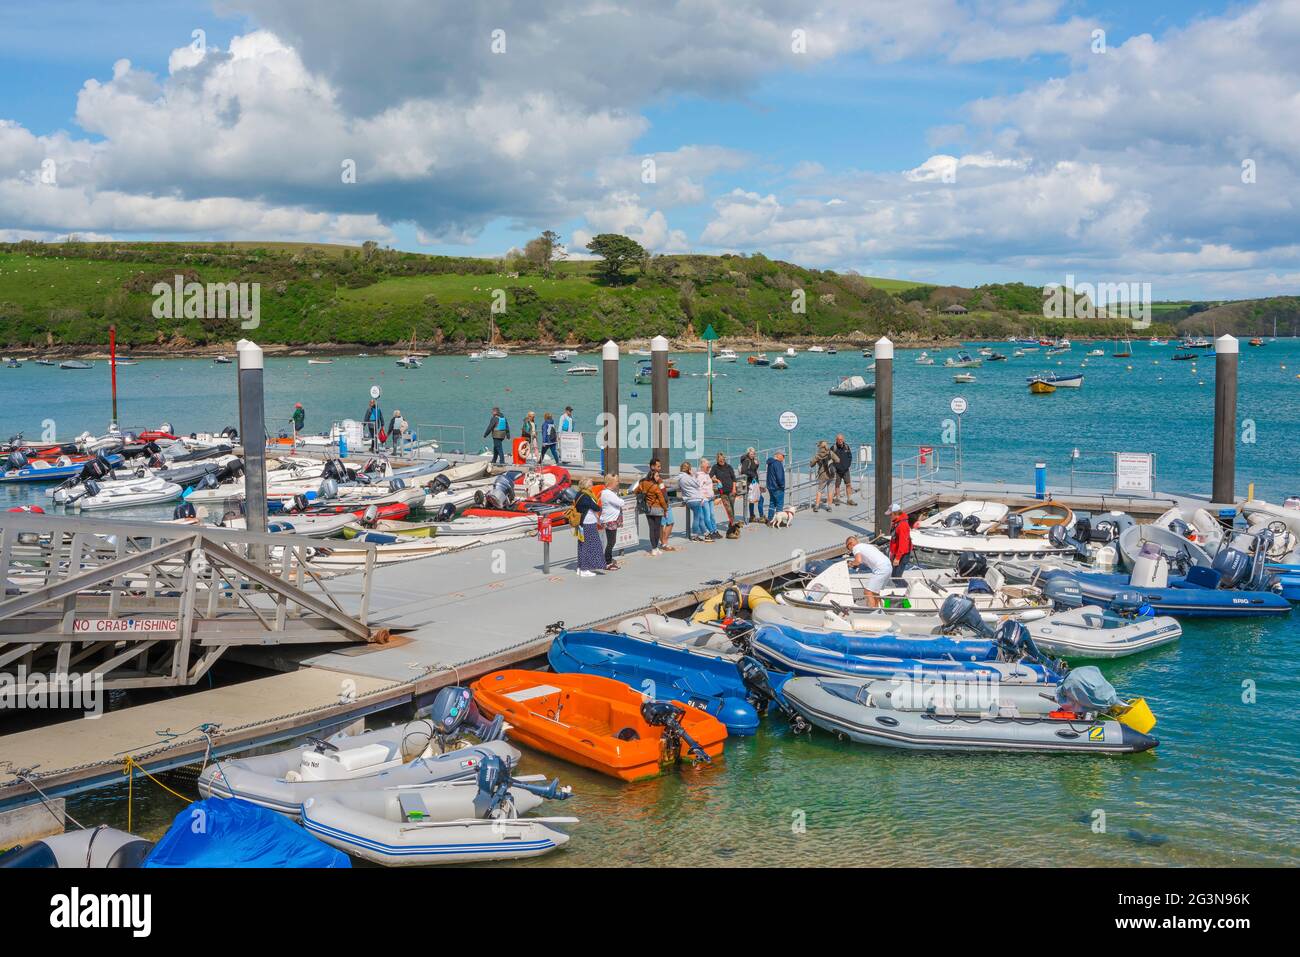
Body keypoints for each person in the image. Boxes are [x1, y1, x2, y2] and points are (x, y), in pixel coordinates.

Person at [845, 535, 892, 608]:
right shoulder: (867, 546)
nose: (851, 551)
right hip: (888, 566)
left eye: (849, 549)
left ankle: (872, 612)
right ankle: (878, 609)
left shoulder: (856, 547)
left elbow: (858, 561)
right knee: (875, 592)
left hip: (880, 568)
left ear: (850, 544)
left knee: (867, 592)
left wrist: (850, 564)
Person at [636, 464, 668, 557]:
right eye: (657, 476)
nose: (658, 477)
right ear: (652, 476)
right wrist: (665, 509)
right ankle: (655, 547)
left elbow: (636, 491)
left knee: (651, 528)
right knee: (657, 529)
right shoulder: (655, 486)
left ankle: (653, 548)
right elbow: (662, 499)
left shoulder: (643, 483)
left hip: (648, 508)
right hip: (657, 508)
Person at [573, 478, 603, 577]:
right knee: (590, 545)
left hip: (582, 523)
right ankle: (585, 569)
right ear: (585, 486)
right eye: (590, 485)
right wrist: (600, 508)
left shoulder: (579, 494)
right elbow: (595, 507)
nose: (592, 486)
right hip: (588, 523)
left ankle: (580, 567)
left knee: (582, 545)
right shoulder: (586, 496)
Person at [598, 474, 625, 570]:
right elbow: (621, 502)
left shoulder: (609, 493)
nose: (618, 483)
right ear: (611, 483)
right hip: (610, 520)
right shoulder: (608, 493)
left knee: (611, 541)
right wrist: (620, 498)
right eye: (617, 481)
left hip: (612, 519)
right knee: (611, 541)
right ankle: (607, 561)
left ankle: (607, 559)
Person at [696, 459, 720, 540]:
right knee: (707, 516)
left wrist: (716, 480)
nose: (709, 468)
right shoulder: (700, 476)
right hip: (705, 499)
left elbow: (709, 483)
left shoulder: (707, 474)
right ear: (702, 467)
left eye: (709, 466)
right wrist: (702, 498)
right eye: (707, 467)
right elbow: (699, 488)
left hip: (711, 498)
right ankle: (711, 531)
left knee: (712, 515)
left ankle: (715, 530)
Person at [810, 440, 836, 512]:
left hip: (822, 475)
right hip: (832, 474)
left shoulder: (818, 455)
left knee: (820, 490)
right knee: (830, 491)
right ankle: (829, 507)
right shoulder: (830, 452)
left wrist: (816, 462)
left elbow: (811, 464)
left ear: (819, 446)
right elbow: (838, 460)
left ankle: (817, 506)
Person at [889, 502, 914, 574]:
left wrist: (897, 558)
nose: (889, 516)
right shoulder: (896, 522)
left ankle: (902, 585)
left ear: (895, 514)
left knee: (896, 576)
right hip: (896, 553)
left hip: (902, 555)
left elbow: (903, 543)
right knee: (893, 574)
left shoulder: (902, 525)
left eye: (891, 514)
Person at [832, 433, 858, 506]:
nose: (840, 441)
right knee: (837, 485)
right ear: (836, 440)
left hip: (846, 470)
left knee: (848, 484)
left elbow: (850, 457)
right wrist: (834, 467)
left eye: (841, 439)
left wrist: (848, 465)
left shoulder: (846, 447)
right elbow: (830, 459)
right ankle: (837, 499)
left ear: (843, 440)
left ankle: (849, 499)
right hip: (837, 471)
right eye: (839, 439)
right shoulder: (833, 448)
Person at [713, 452, 737, 527]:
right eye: (720, 460)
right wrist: (717, 480)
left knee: (732, 507)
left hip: (731, 490)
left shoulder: (729, 467)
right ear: (717, 460)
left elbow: (734, 479)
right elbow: (710, 476)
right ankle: (733, 524)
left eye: (723, 459)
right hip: (722, 492)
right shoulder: (715, 467)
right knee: (728, 509)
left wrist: (734, 489)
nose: (722, 461)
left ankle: (731, 523)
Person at [739, 447, 761, 521]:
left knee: (752, 499)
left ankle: (752, 516)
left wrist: (757, 464)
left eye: (754, 453)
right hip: (749, 482)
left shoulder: (752, 460)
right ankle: (759, 516)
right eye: (751, 453)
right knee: (759, 499)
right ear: (748, 453)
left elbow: (753, 469)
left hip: (753, 482)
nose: (753, 455)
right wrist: (753, 475)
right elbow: (744, 470)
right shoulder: (746, 460)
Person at [764, 451, 786, 524]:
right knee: (779, 504)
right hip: (777, 487)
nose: (784, 457)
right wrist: (782, 485)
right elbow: (779, 476)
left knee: (772, 503)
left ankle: (770, 519)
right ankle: (778, 522)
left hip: (771, 486)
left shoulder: (771, 463)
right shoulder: (778, 464)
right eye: (783, 456)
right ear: (778, 455)